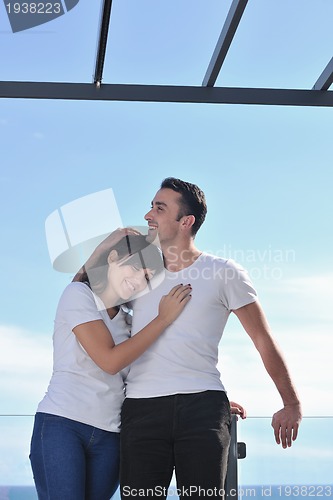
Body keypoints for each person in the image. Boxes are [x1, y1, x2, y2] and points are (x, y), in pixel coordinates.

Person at [117, 177, 302, 499]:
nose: (148, 215)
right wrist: (113, 244)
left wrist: (291, 403)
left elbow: (262, 338)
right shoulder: (135, 273)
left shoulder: (224, 271)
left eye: (159, 208)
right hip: (140, 408)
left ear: (185, 221)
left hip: (202, 408)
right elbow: (96, 316)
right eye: (150, 206)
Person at [29, 233, 192, 500]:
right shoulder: (78, 295)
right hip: (62, 425)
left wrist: (207, 397)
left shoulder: (132, 324)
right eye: (135, 267)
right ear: (113, 258)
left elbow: (162, 368)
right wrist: (163, 319)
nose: (139, 280)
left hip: (112, 437)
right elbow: (110, 360)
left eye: (148, 277)